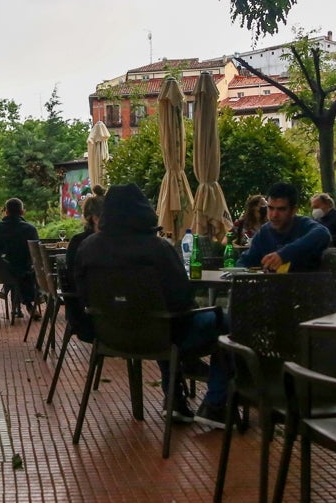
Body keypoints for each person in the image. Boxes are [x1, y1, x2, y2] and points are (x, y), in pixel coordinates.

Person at [73, 183, 229, 426]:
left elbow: (83, 294)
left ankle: (175, 400)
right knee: (227, 321)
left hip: (110, 336)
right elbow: (181, 300)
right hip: (161, 336)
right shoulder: (159, 249)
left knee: (156, 317)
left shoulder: (88, 248)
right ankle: (216, 403)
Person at [236, 182, 332, 272]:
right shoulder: (264, 233)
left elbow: (323, 234)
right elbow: (244, 261)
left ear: (294, 210)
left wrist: (284, 255)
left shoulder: (304, 225)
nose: (274, 215)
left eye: (281, 209)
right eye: (270, 208)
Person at [62, 185, 105, 342]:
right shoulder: (94, 245)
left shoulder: (76, 242)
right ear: (96, 218)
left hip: (84, 311)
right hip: (93, 317)